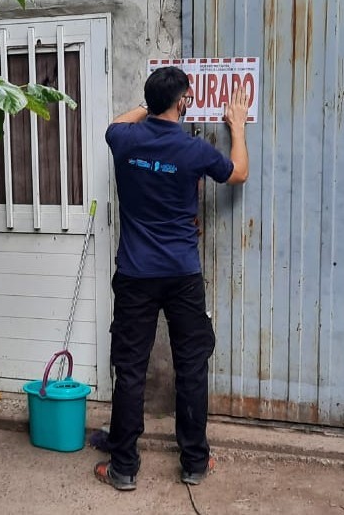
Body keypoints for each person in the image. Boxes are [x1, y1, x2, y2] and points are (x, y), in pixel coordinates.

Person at [94, 65, 249, 491]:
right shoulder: (193, 149)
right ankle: (195, 462)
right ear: (184, 102)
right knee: (191, 366)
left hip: (135, 274)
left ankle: (123, 467)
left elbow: (117, 122)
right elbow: (238, 173)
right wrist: (237, 126)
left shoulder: (123, 140)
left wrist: (150, 107)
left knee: (129, 370)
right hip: (182, 274)